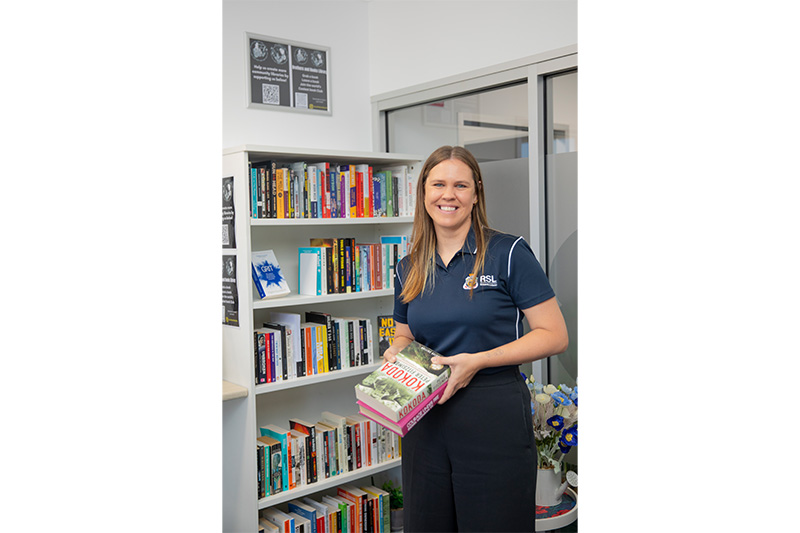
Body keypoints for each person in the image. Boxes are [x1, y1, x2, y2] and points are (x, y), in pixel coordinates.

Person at [383, 145, 569, 532]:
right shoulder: (408, 265)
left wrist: (478, 360)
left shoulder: (508, 252)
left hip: (492, 413)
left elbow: (554, 335)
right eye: (438, 184)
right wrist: (396, 352)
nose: (447, 195)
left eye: (460, 185)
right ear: (423, 193)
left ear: (476, 193)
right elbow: (404, 333)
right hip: (425, 416)